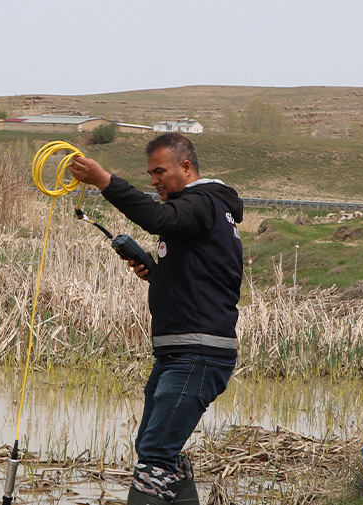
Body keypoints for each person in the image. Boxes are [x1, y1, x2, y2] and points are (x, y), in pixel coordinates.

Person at [69, 133, 244, 505]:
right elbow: (205, 275)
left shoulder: (203, 202)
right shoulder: (200, 210)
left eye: (159, 172)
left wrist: (105, 181)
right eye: (149, 174)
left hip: (198, 352)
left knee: (155, 456)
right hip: (181, 352)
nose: (153, 181)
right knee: (155, 445)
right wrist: (158, 272)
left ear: (186, 167)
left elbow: (157, 217)